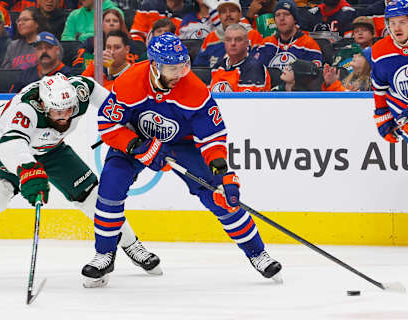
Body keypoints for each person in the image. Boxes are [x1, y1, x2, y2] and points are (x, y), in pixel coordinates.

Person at [80, 33, 282, 287]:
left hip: (182, 144)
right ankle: (104, 254)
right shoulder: (130, 81)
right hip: (135, 140)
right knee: (110, 186)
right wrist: (138, 147)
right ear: (155, 65)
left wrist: (222, 172)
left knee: (217, 193)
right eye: (172, 68)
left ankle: (258, 253)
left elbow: (212, 138)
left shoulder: (195, 89)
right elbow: (109, 125)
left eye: (182, 66)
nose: (180, 73)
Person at [0, 73, 162, 281]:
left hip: (51, 149)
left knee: (93, 196)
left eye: (69, 109)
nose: (66, 116)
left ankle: (132, 245)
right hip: (2, 144)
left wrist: (130, 127)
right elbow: (11, 146)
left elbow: (106, 99)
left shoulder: (80, 92)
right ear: (43, 105)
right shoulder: (25, 110)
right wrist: (29, 170)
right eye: (58, 112)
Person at [370, 0, 408, 146]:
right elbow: (379, 88)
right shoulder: (379, 50)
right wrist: (383, 116)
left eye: (402, 22)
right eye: (392, 23)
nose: (397, 28)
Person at [255, 0, 322, 70]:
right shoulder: (267, 43)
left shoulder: (309, 45)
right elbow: (257, 71)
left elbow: (314, 77)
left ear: (295, 19)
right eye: (278, 15)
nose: (281, 18)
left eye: (286, 14)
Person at [194, 0, 263, 68]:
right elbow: (199, 67)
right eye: (224, 12)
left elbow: (258, 66)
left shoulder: (253, 35)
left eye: (232, 11)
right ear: (219, 16)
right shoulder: (210, 37)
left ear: (240, 14)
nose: (228, 14)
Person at [210, 23, 270, 92]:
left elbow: (247, 101)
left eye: (238, 39)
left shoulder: (256, 68)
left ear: (247, 43)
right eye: (228, 40)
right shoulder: (216, 68)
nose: (233, 43)